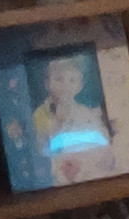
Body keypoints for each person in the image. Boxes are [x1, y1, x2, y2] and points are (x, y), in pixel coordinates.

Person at [34, 51, 113, 183]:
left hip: (84, 167)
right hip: (56, 170)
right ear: (47, 83)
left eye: (72, 80)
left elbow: (98, 141)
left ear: (79, 86)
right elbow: (40, 147)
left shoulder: (86, 113)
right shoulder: (40, 114)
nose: (65, 86)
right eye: (59, 79)